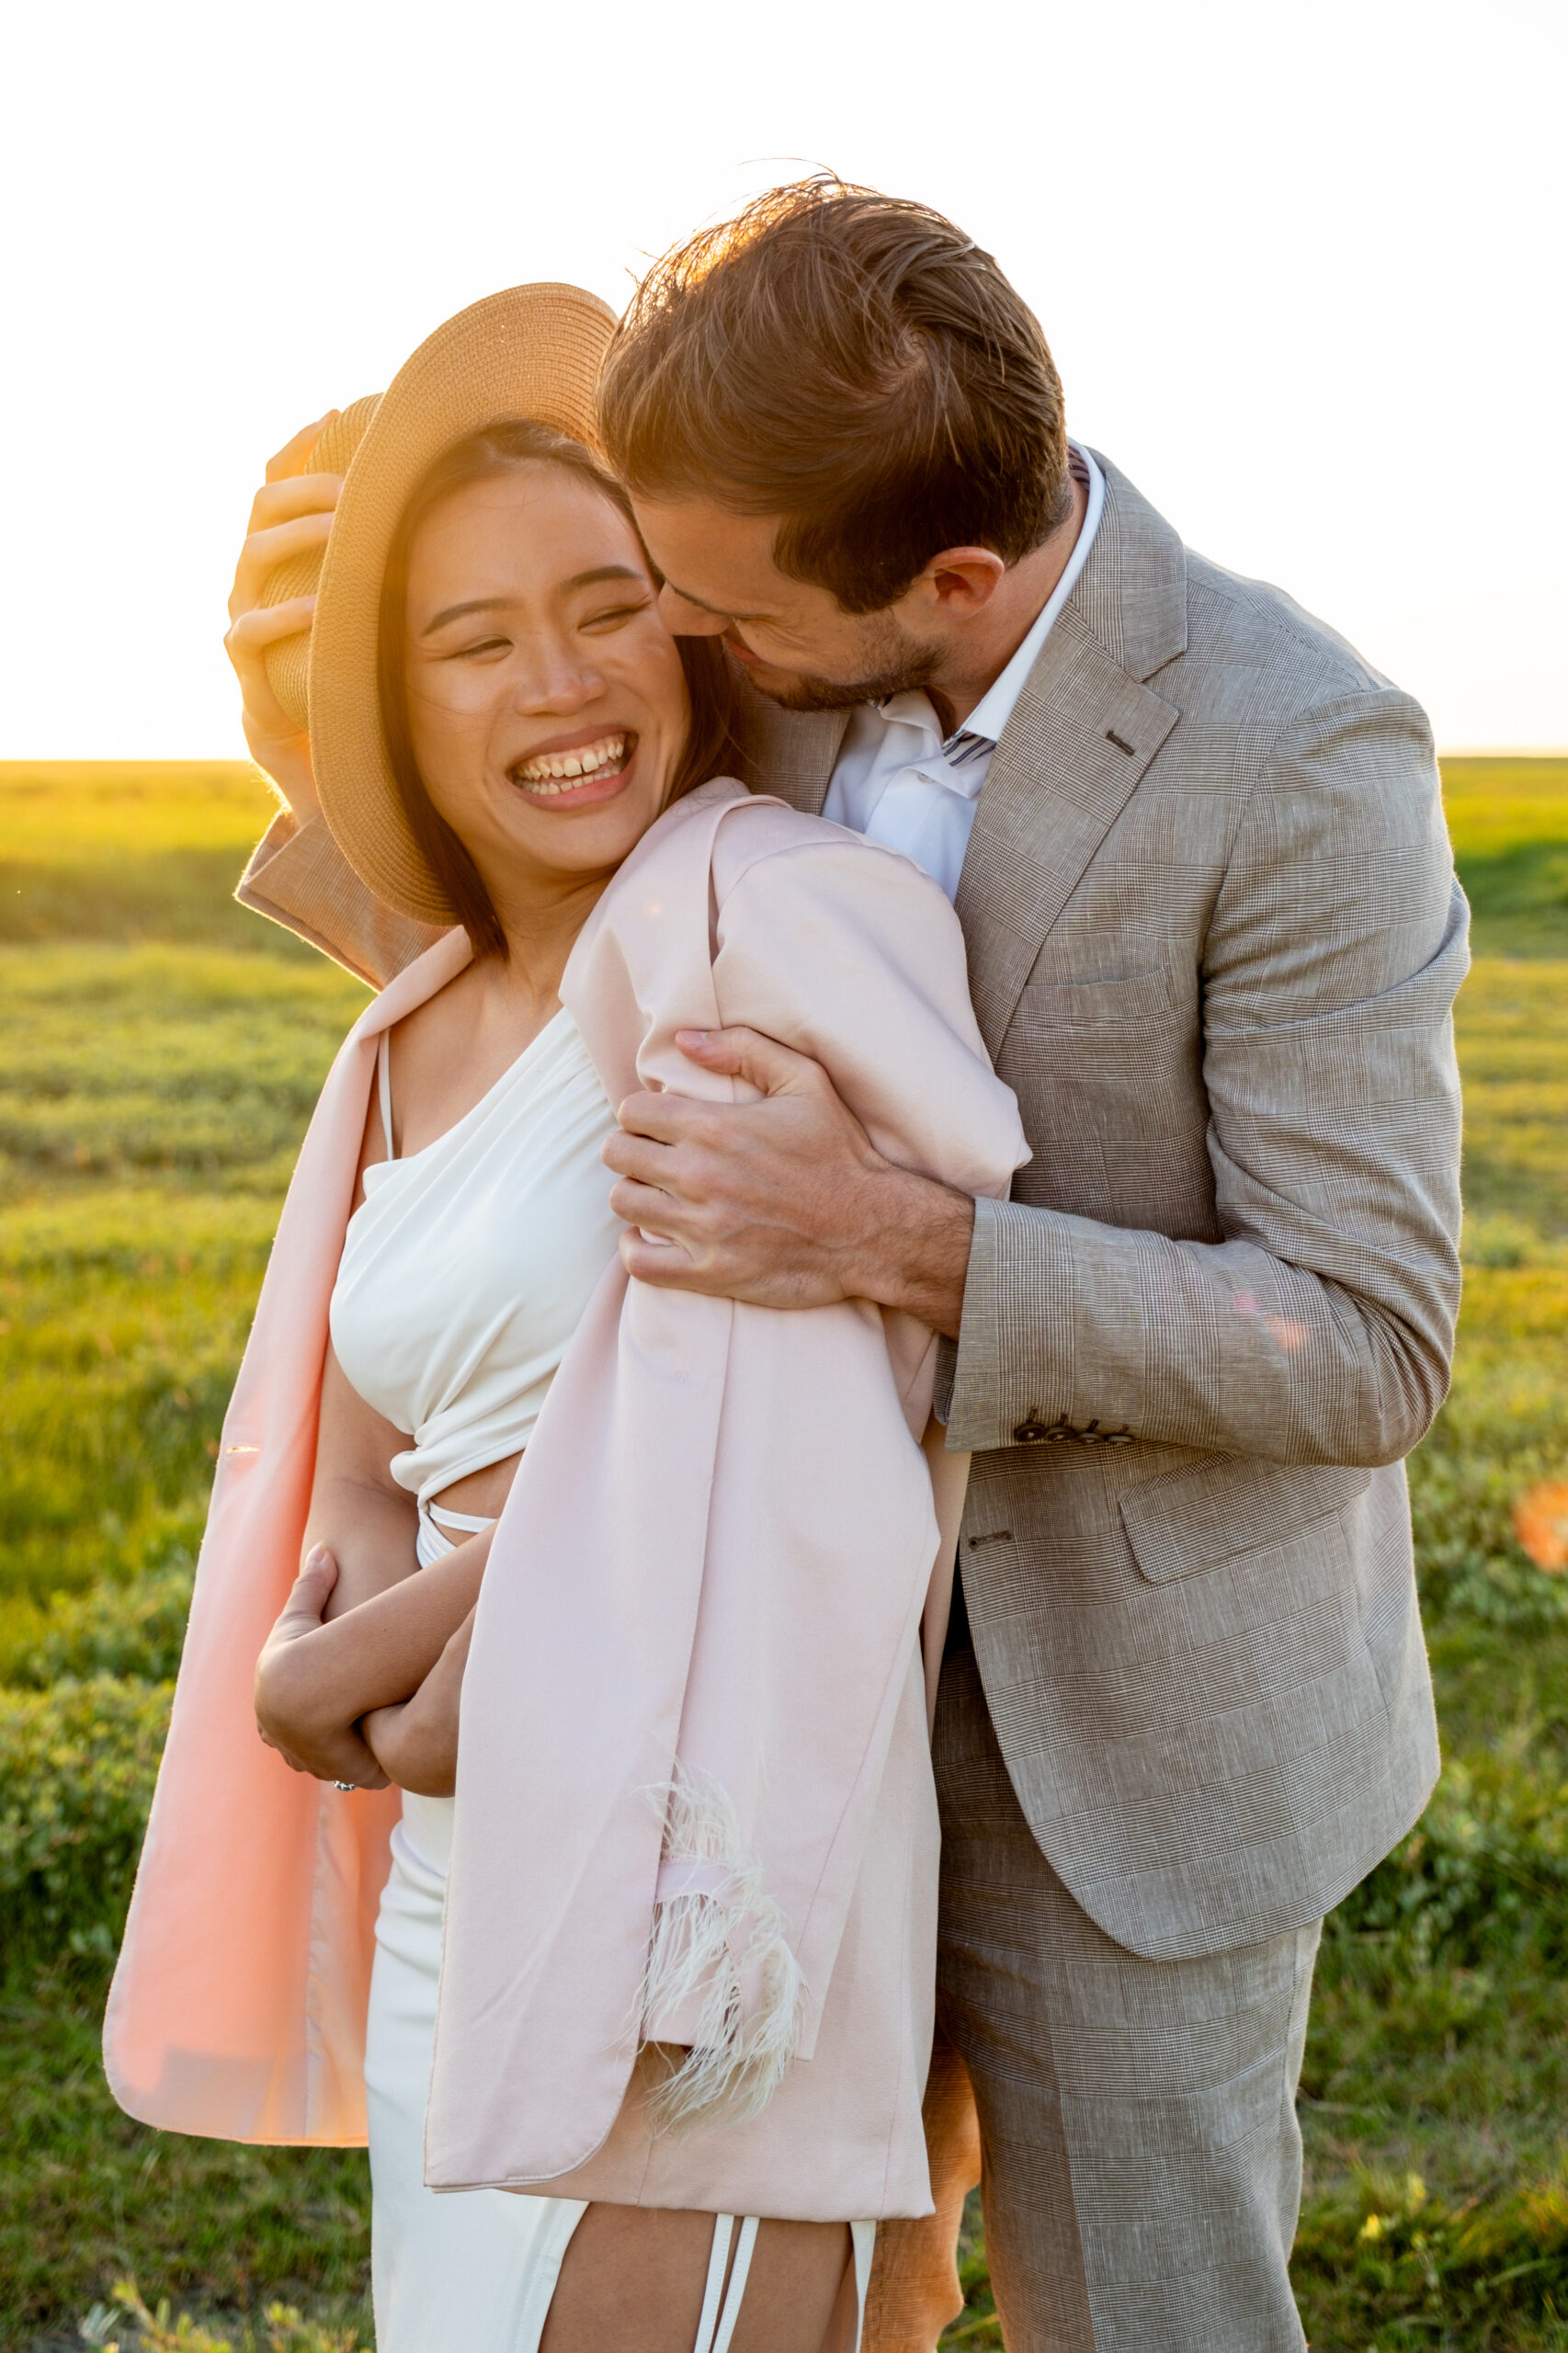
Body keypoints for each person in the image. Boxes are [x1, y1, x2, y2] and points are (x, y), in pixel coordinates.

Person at [224, 184, 1469, 2353]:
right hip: (772, 1692)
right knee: (816, 2315)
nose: (679, 637)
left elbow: (1362, 1334)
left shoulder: (1297, 755)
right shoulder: (781, 619)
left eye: (705, 604)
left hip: (1114, 1746)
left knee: (1140, 2320)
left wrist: (901, 1243)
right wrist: (321, 718)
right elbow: (585, 980)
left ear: (948, 585)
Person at [105, 282, 1028, 2353]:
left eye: (609, 605)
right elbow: (356, 1443)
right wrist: (327, 1623)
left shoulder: (765, 920)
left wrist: (384, 1654)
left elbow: (814, 1432)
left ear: (692, 633)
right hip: (462, 1887)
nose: (559, 681)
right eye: (471, 639)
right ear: (398, 709)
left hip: (691, 1879)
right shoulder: (417, 1022)